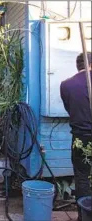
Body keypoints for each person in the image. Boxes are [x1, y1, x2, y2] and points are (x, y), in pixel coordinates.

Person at [60, 52, 92, 221]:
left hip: (81, 139)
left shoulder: (66, 85)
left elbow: (69, 109)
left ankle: (84, 216)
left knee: (82, 177)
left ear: (77, 65)